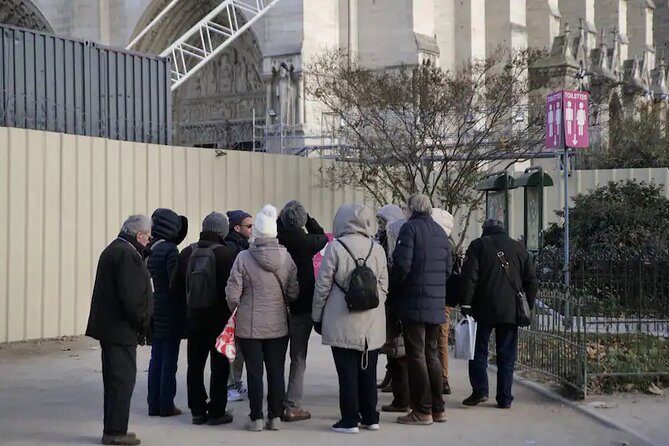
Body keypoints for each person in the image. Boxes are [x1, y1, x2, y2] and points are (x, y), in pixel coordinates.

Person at [312, 203, 389, 434]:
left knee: (347, 373)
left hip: (341, 319)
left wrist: (318, 315)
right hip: (372, 323)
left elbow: (323, 285)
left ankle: (349, 420)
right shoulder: (377, 249)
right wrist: (373, 304)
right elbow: (384, 285)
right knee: (369, 370)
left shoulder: (335, 247)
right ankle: (371, 417)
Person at [226, 205, 299, 432]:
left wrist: (239, 309)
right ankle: (274, 417)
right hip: (278, 325)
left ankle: (256, 418)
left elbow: (232, 294)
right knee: (276, 372)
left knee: (254, 372)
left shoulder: (243, 258)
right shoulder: (287, 258)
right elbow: (294, 292)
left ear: (256, 231)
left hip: (249, 326)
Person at [86, 215, 153, 446]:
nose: (150, 238)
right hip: (120, 329)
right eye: (148, 234)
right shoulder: (126, 255)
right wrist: (143, 323)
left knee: (116, 380)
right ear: (139, 235)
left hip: (112, 328)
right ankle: (115, 431)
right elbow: (132, 296)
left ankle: (115, 428)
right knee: (122, 381)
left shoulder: (115, 249)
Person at [459, 219, 539, 409]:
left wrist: (466, 304)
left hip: (482, 307)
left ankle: (480, 391)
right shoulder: (519, 248)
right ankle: (504, 397)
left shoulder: (478, 246)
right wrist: (529, 304)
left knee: (479, 351)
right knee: (507, 354)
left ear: (485, 231)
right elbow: (532, 281)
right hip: (510, 309)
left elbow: (470, 277)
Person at [389, 194, 451, 425]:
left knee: (415, 355)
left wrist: (394, 290)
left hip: (414, 302)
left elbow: (402, 266)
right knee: (431, 354)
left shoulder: (409, 229)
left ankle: (421, 410)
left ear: (410, 209)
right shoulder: (439, 232)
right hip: (435, 303)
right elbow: (447, 269)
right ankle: (438, 408)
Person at [170, 212, 236, 426]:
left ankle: (197, 410)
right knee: (220, 365)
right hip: (219, 319)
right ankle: (217, 411)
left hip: (194, 318)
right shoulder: (227, 254)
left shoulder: (187, 252)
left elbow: (175, 288)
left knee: (195, 365)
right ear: (222, 231)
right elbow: (232, 290)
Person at [276, 200, 328, 422]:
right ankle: (292, 405)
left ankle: (274, 402)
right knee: (298, 357)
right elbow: (323, 235)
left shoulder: (278, 239)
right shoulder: (307, 242)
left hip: (277, 306)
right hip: (302, 307)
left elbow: (279, 226)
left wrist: (281, 219)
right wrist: (310, 219)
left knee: (275, 356)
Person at [146, 208, 188, 418]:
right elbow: (175, 284)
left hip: (155, 309)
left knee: (156, 359)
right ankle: (166, 405)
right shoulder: (171, 250)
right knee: (169, 360)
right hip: (170, 311)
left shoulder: (150, 248)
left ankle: (153, 404)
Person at [375, 205, 410, 410]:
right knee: (395, 351)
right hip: (395, 304)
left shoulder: (398, 244)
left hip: (396, 303)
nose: (380, 226)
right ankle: (398, 391)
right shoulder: (384, 239)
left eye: (382, 221)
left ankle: (402, 399)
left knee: (399, 353)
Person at [224, 209, 253, 401]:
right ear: (237, 227)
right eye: (249, 226)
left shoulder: (242, 246)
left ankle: (237, 382)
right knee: (232, 348)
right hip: (232, 306)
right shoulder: (232, 249)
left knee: (239, 348)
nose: (252, 230)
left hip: (239, 306)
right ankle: (230, 385)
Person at [431, 207, 456, 395]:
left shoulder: (443, 244)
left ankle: (443, 378)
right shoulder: (449, 243)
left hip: (441, 297)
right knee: (441, 339)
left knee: (440, 339)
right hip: (444, 297)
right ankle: (442, 377)